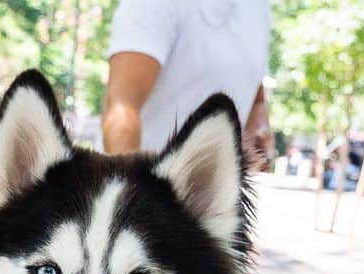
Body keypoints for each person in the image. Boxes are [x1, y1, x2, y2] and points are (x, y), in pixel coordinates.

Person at [101, 0, 272, 165]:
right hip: (144, 184)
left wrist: (258, 133)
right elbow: (121, 107)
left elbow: (257, 97)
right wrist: (136, 189)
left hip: (211, 188)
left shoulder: (259, 6)